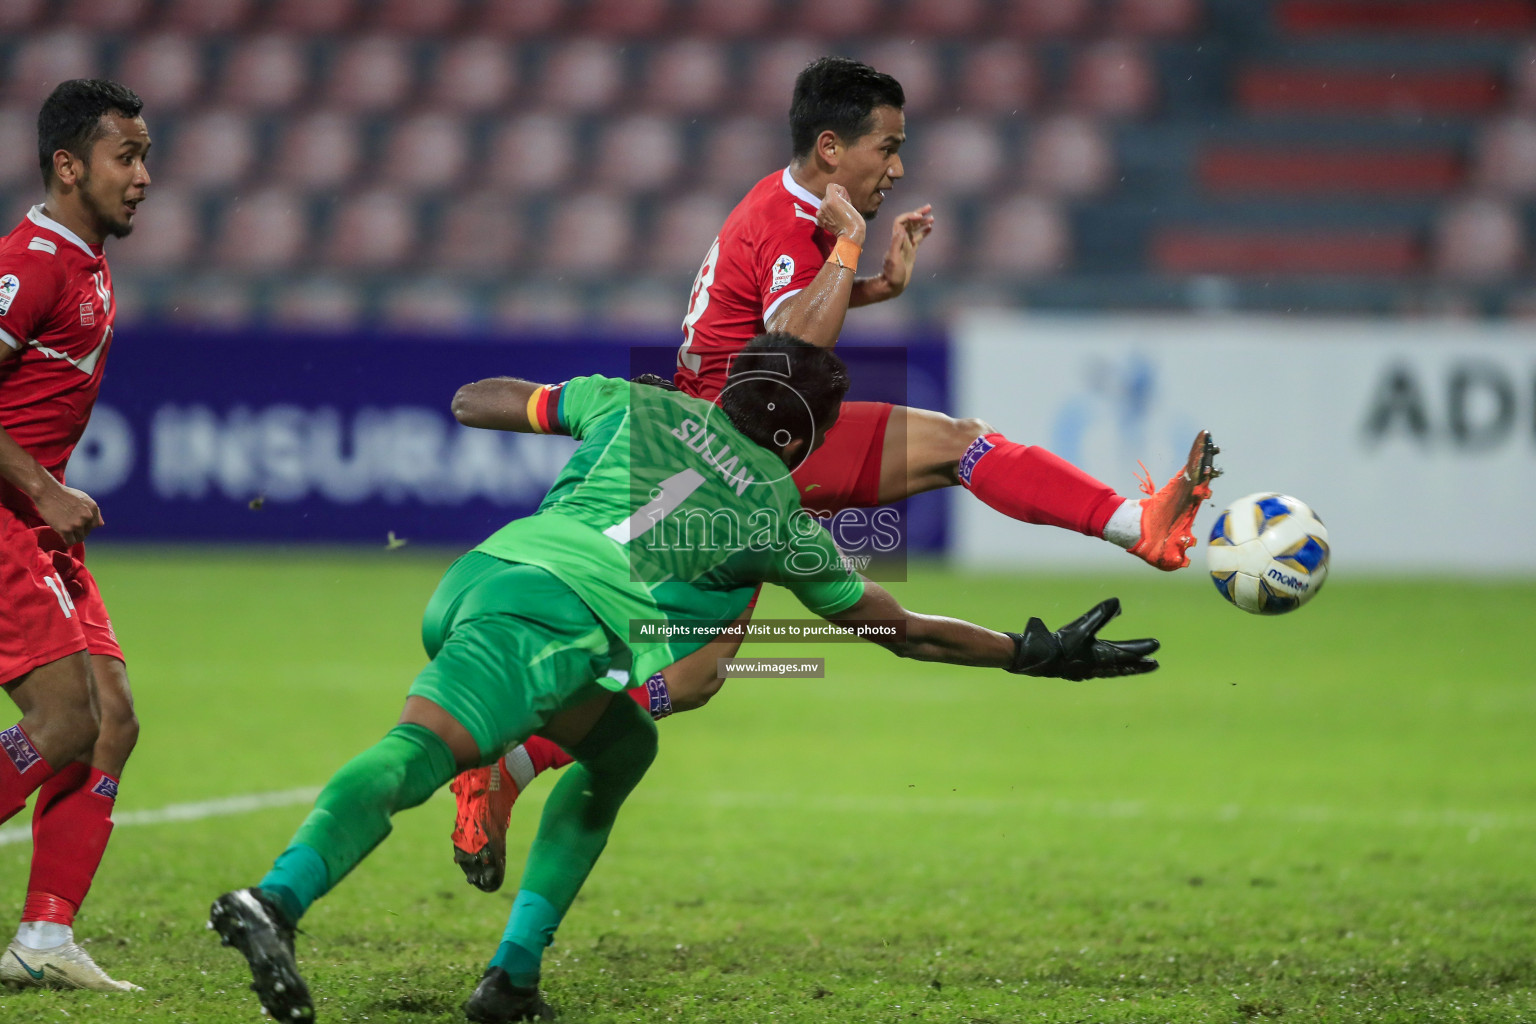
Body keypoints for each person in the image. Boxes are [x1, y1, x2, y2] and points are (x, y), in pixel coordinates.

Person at [210, 337, 1160, 1024]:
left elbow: (475, 400)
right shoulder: (782, 516)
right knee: (419, 751)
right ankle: (277, 899)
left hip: (487, 574)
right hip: (553, 617)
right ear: (801, 440)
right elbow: (906, 634)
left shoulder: (638, 404)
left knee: (624, 741)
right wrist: (1032, 651)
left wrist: (556, 403)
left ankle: (513, 978)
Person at [449, 56, 1218, 889]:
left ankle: (507, 769)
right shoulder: (794, 219)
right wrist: (854, 248)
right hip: (736, 444)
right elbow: (796, 344)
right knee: (957, 446)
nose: (897, 166)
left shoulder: (792, 205)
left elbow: (778, 318)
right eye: (886, 147)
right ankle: (1133, 527)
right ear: (829, 147)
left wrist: (877, 281)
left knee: (698, 675)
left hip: (723, 436)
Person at [0, 79, 149, 993]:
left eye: (143, 156)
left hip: (37, 524)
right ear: (68, 166)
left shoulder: (82, 259)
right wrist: (42, 489)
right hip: (10, 519)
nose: (142, 177)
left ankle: (44, 938)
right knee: (63, 722)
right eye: (125, 157)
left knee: (112, 724)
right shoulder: (33, 262)